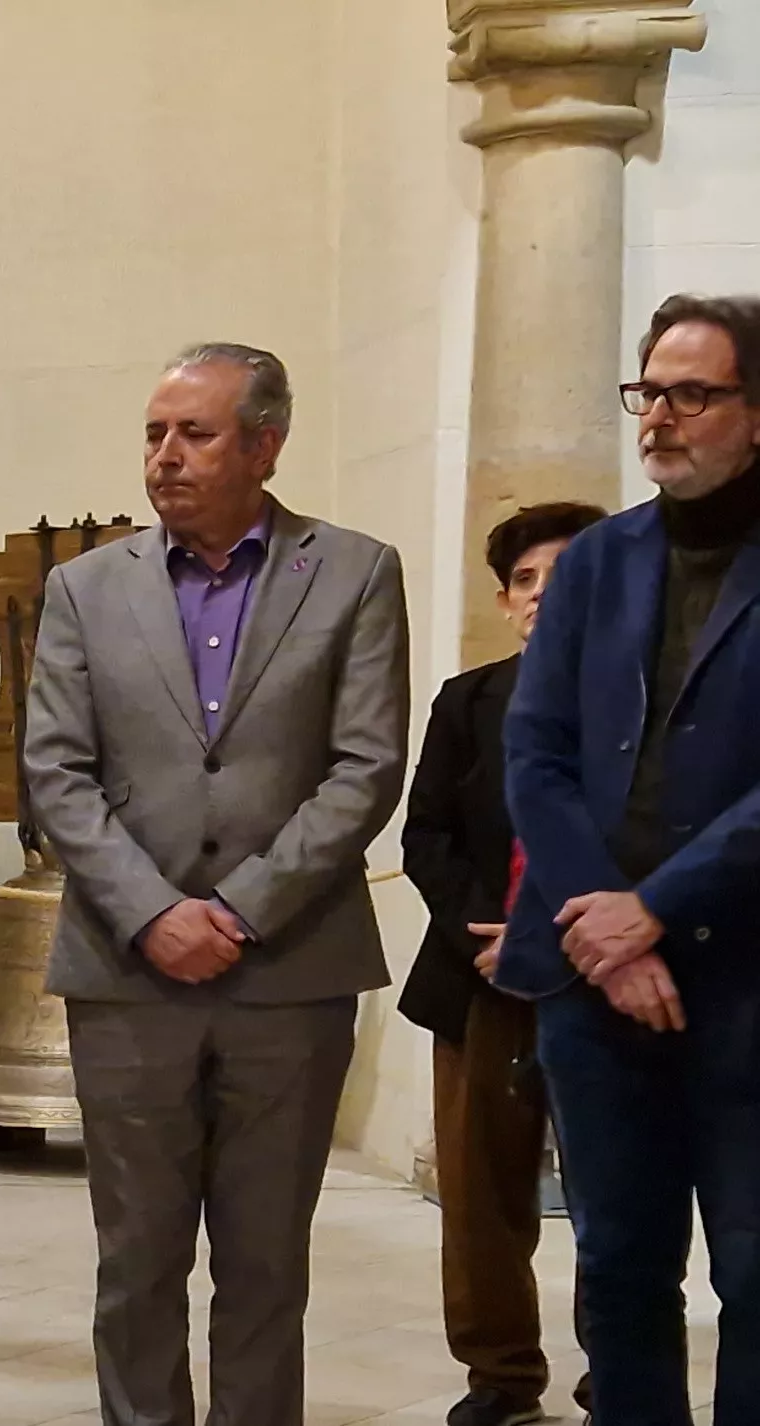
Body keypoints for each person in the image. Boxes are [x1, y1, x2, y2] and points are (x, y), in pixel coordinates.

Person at [21, 344, 410, 1426]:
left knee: (262, 1271)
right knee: (134, 1266)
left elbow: (364, 766)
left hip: (285, 975)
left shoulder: (351, 571)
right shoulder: (83, 588)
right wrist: (152, 912)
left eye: (191, 433)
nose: (163, 456)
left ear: (263, 444)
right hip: (124, 970)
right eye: (153, 433)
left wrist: (238, 910)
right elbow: (52, 770)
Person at [500, 293, 760, 1422]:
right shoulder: (598, 560)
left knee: (754, 1272)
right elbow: (534, 751)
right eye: (646, 390)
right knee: (614, 1266)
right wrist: (604, 924)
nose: (658, 416)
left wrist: (651, 907)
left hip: (747, 974)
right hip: (594, 981)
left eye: (691, 393)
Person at [396, 500, 606, 1426]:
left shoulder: (645, 704)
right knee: (481, 1193)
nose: (542, 593)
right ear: (504, 599)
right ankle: (499, 1376)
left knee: (613, 1191)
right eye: (526, 579)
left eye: (564, 574)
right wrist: (488, 929)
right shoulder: (468, 700)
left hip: (605, 975)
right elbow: (427, 832)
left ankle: (620, 1370)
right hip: (479, 976)